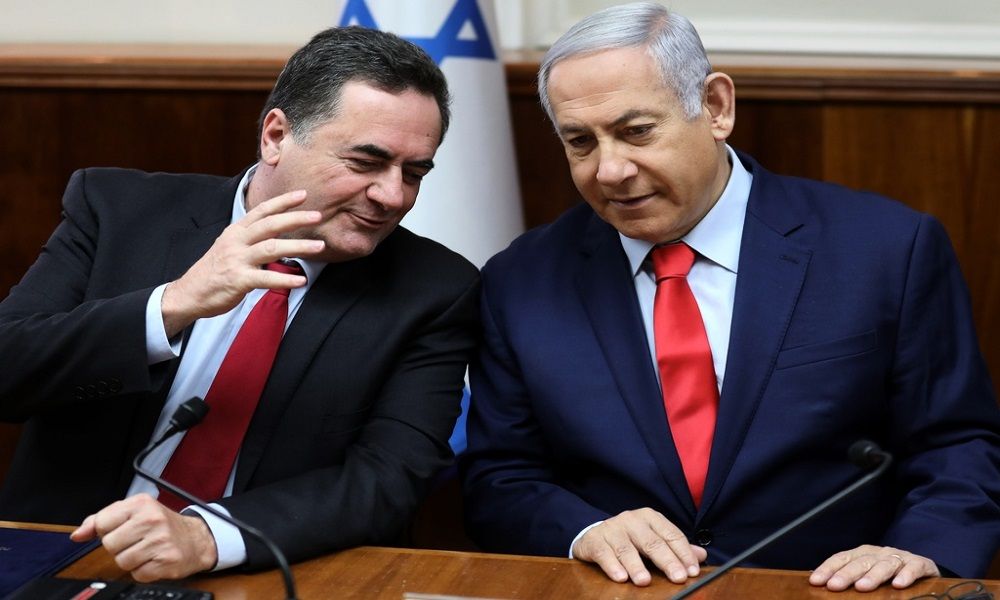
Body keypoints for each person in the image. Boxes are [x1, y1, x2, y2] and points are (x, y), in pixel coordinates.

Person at [460, 2, 1000, 593]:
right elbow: (501, 476)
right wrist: (583, 531)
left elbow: (956, 443)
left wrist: (920, 551)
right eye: (581, 142)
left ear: (716, 107)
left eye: (637, 131)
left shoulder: (884, 250)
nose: (609, 170)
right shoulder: (521, 280)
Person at [0, 26, 479, 582]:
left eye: (414, 172)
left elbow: (389, 479)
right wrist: (172, 305)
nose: (393, 196)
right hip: (63, 555)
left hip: (261, 570)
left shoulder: (435, 290)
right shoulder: (117, 210)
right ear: (276, 136)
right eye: (365, 162)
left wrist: (206, 536)